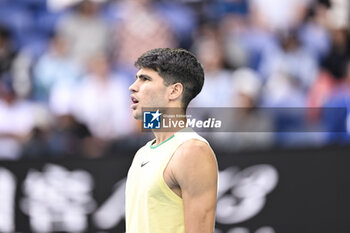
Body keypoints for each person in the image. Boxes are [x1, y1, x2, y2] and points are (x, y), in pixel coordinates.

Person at [125, 48, 218, 233]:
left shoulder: (192, 151)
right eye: (137, 78)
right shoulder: (142, 153)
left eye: (145, 79)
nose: (133, 86)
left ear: (174, 91)